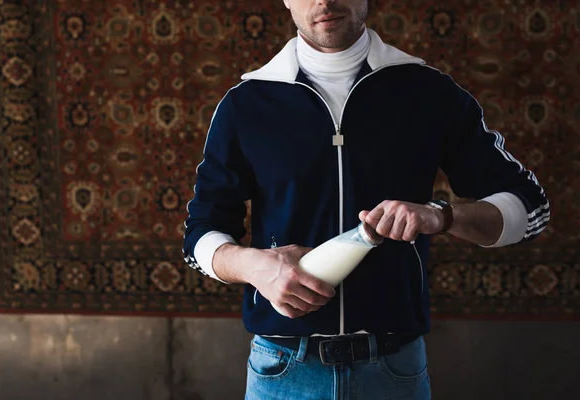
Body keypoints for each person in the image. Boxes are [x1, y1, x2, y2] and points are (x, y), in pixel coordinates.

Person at [182, 0, 550, 398]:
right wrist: (255, 265)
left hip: (394, 370)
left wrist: (441, 216)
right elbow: (201, 233)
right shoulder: (246, 104)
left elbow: (531, 207)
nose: (323, 1)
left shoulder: (429, 92)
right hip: (283, 372)